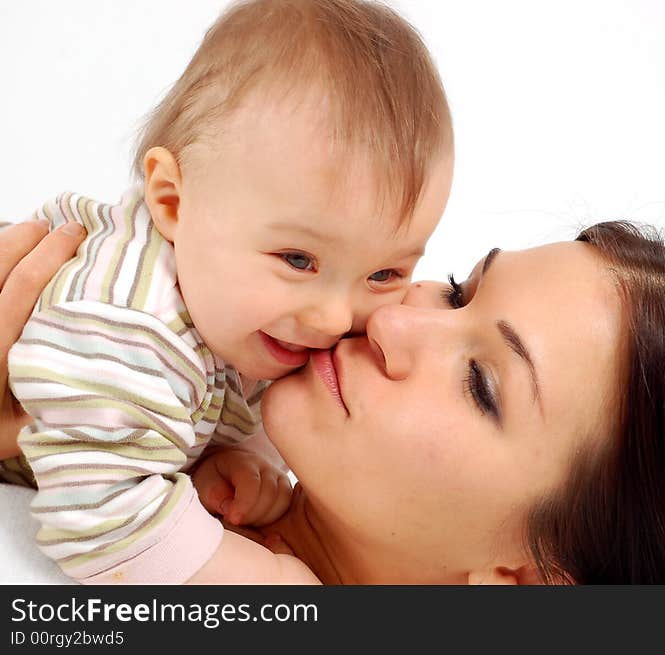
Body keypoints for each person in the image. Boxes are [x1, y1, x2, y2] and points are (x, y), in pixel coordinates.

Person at [0, 218, 665, 583]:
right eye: (456, 291)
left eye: (481, 384)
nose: (391, 316)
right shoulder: (184, 377)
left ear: (525, 583)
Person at [0, 0, 453, 584]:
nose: (336, 317)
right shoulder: (135, 327)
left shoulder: (243, 302)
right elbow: (99, 514)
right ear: (173, 202)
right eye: (297, 259)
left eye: (384, 275)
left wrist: (216, 458)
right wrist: (264, 586)